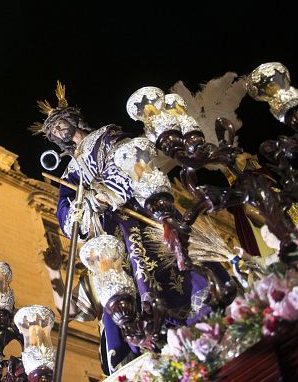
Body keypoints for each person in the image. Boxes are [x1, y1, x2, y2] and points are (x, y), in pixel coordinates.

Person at [32, 83, 234, 375]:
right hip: (110, 236)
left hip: (137, 213)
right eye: (52, 133)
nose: (57, 133)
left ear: (73, 120)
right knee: (118, 285)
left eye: (60, 125)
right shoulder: (68, 172)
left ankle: (192, 316)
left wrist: (105, 190)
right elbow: (65, 211)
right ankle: (140, 340)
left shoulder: (104, 136)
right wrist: (80, 208)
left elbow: (131, 157)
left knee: (164, 259)